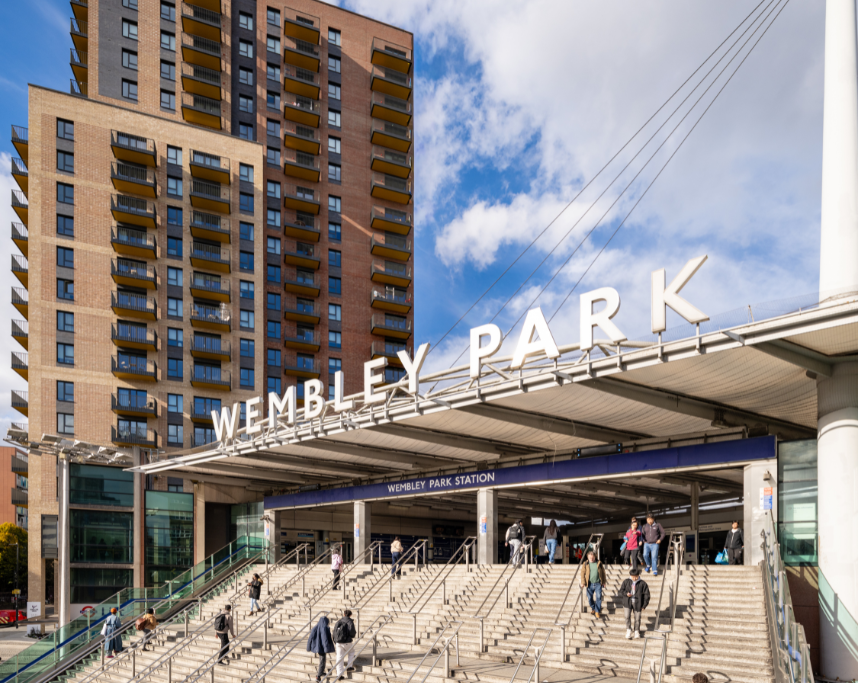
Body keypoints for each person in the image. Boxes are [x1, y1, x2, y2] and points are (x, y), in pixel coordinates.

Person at [619, 568, 651, 639]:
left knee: (637, 618)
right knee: (627, 616)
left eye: (636, 576)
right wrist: (626, 594)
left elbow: (647, 595)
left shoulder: (643, 583)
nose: (634, 578)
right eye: (633, 576)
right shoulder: (626, 581)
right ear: (630, 575)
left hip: (638, 603)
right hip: (627, 602)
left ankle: (636, 631)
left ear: (638, 575)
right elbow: (621, 590)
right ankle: (628, 630)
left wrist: (644, 605)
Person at [307, 614, 336, 683]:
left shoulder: (315, 627)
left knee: (322, 660)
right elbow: (324, 639)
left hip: (317, 646)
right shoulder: (324, 628)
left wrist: (308, 647)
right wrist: (326, 648)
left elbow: (310, 637)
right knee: (322, 661)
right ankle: (318, 676)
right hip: (322, 647)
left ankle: (321, 672)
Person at [579, 550, 606, 618]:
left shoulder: (599, 563)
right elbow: (582, 573)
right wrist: (583, 582)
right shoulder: (586, 563)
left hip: (598, 583)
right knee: (589, 597)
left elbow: (603, 573)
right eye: (589, 557)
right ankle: (593, 608)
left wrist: (603, 582)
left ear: (595, 557)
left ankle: (597, 611)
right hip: (589, 584)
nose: (591, 559)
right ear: (588, 557)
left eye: (592, 557)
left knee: (598, 597)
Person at [331, 609, 357, 680]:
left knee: (339, 657)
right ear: (350, 615)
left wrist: (335, 641)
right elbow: (352, 633)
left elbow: (334, 632)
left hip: (338, 642)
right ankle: (349, 666)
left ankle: (339, 674)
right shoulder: (350, 622)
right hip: (347, 642)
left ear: (344, 614)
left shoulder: (339, 621)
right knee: (351, 652)